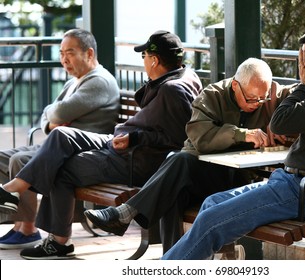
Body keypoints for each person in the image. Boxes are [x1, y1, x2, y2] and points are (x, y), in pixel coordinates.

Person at [160, 26, 305, 260]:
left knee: (212, 221)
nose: (301, 66)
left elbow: (279, 122)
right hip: (296, 185)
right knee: (212, 203)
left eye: (304, 57)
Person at [0, 30, 202, 259]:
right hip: (121, 142)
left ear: (155, 60)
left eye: (144, 56)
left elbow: (179, 141)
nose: (143, 60)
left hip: (135, 159)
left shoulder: (172, 90)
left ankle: (58, 242)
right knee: (61, 135)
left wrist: (135, 139)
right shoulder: (180, 76)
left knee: (60, 166)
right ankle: (11, 190)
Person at [84, 57, 292, 253]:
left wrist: (281, 121)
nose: (257, 103)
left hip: (244, 182)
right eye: (252, 98)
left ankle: (128, 215)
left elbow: (304, 93)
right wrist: (241, 134)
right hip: (211, 175)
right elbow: (199, 137)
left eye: (262, 99)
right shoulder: (212, 96)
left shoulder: (271, 95)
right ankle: (173, 262)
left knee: (173, 180)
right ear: (235, 85)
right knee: (178, 172)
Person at [0, 28, 120, 250]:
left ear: (89, 53)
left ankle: (27, 229)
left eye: (70, 53)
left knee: (20, 160)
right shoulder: (73, 82)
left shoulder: (99, 81)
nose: (64, 59)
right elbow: (49, 114)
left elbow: (57, 113)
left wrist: (53, 118)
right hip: (57, 144)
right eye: (62, 53)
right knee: (3, 158)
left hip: (77, 152)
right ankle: (17, 221)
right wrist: (51, 121)